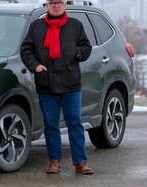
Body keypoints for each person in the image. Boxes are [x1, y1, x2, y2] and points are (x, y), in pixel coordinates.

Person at [20, 0, 94, 174]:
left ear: (65, 4)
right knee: (51, 124)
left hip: (71, 83)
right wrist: (35, 66)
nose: (56, 5)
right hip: (46, 83)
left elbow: (86, 48)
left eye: (59, 2)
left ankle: (80, 162)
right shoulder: (37, 26)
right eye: (52, 2)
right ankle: (54, 161)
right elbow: (26, 50)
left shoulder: (76, 25)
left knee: (75, 123)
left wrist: (75, 52)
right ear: (47, 5)